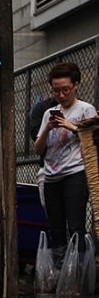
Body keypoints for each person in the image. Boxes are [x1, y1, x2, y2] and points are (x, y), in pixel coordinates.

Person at [32, 62, 97, 258]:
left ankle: (79, 272)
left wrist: (73, 127)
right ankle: (61, 270)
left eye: (65, 89)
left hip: (75, 173)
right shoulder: (47, 113)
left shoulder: (86, 110)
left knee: (76, 225)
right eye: (56, 91)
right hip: (51, 175)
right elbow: (38, 149)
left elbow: (93, 141)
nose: (61, 95)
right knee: (56, 227)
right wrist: (46, 130)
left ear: (76, 85)